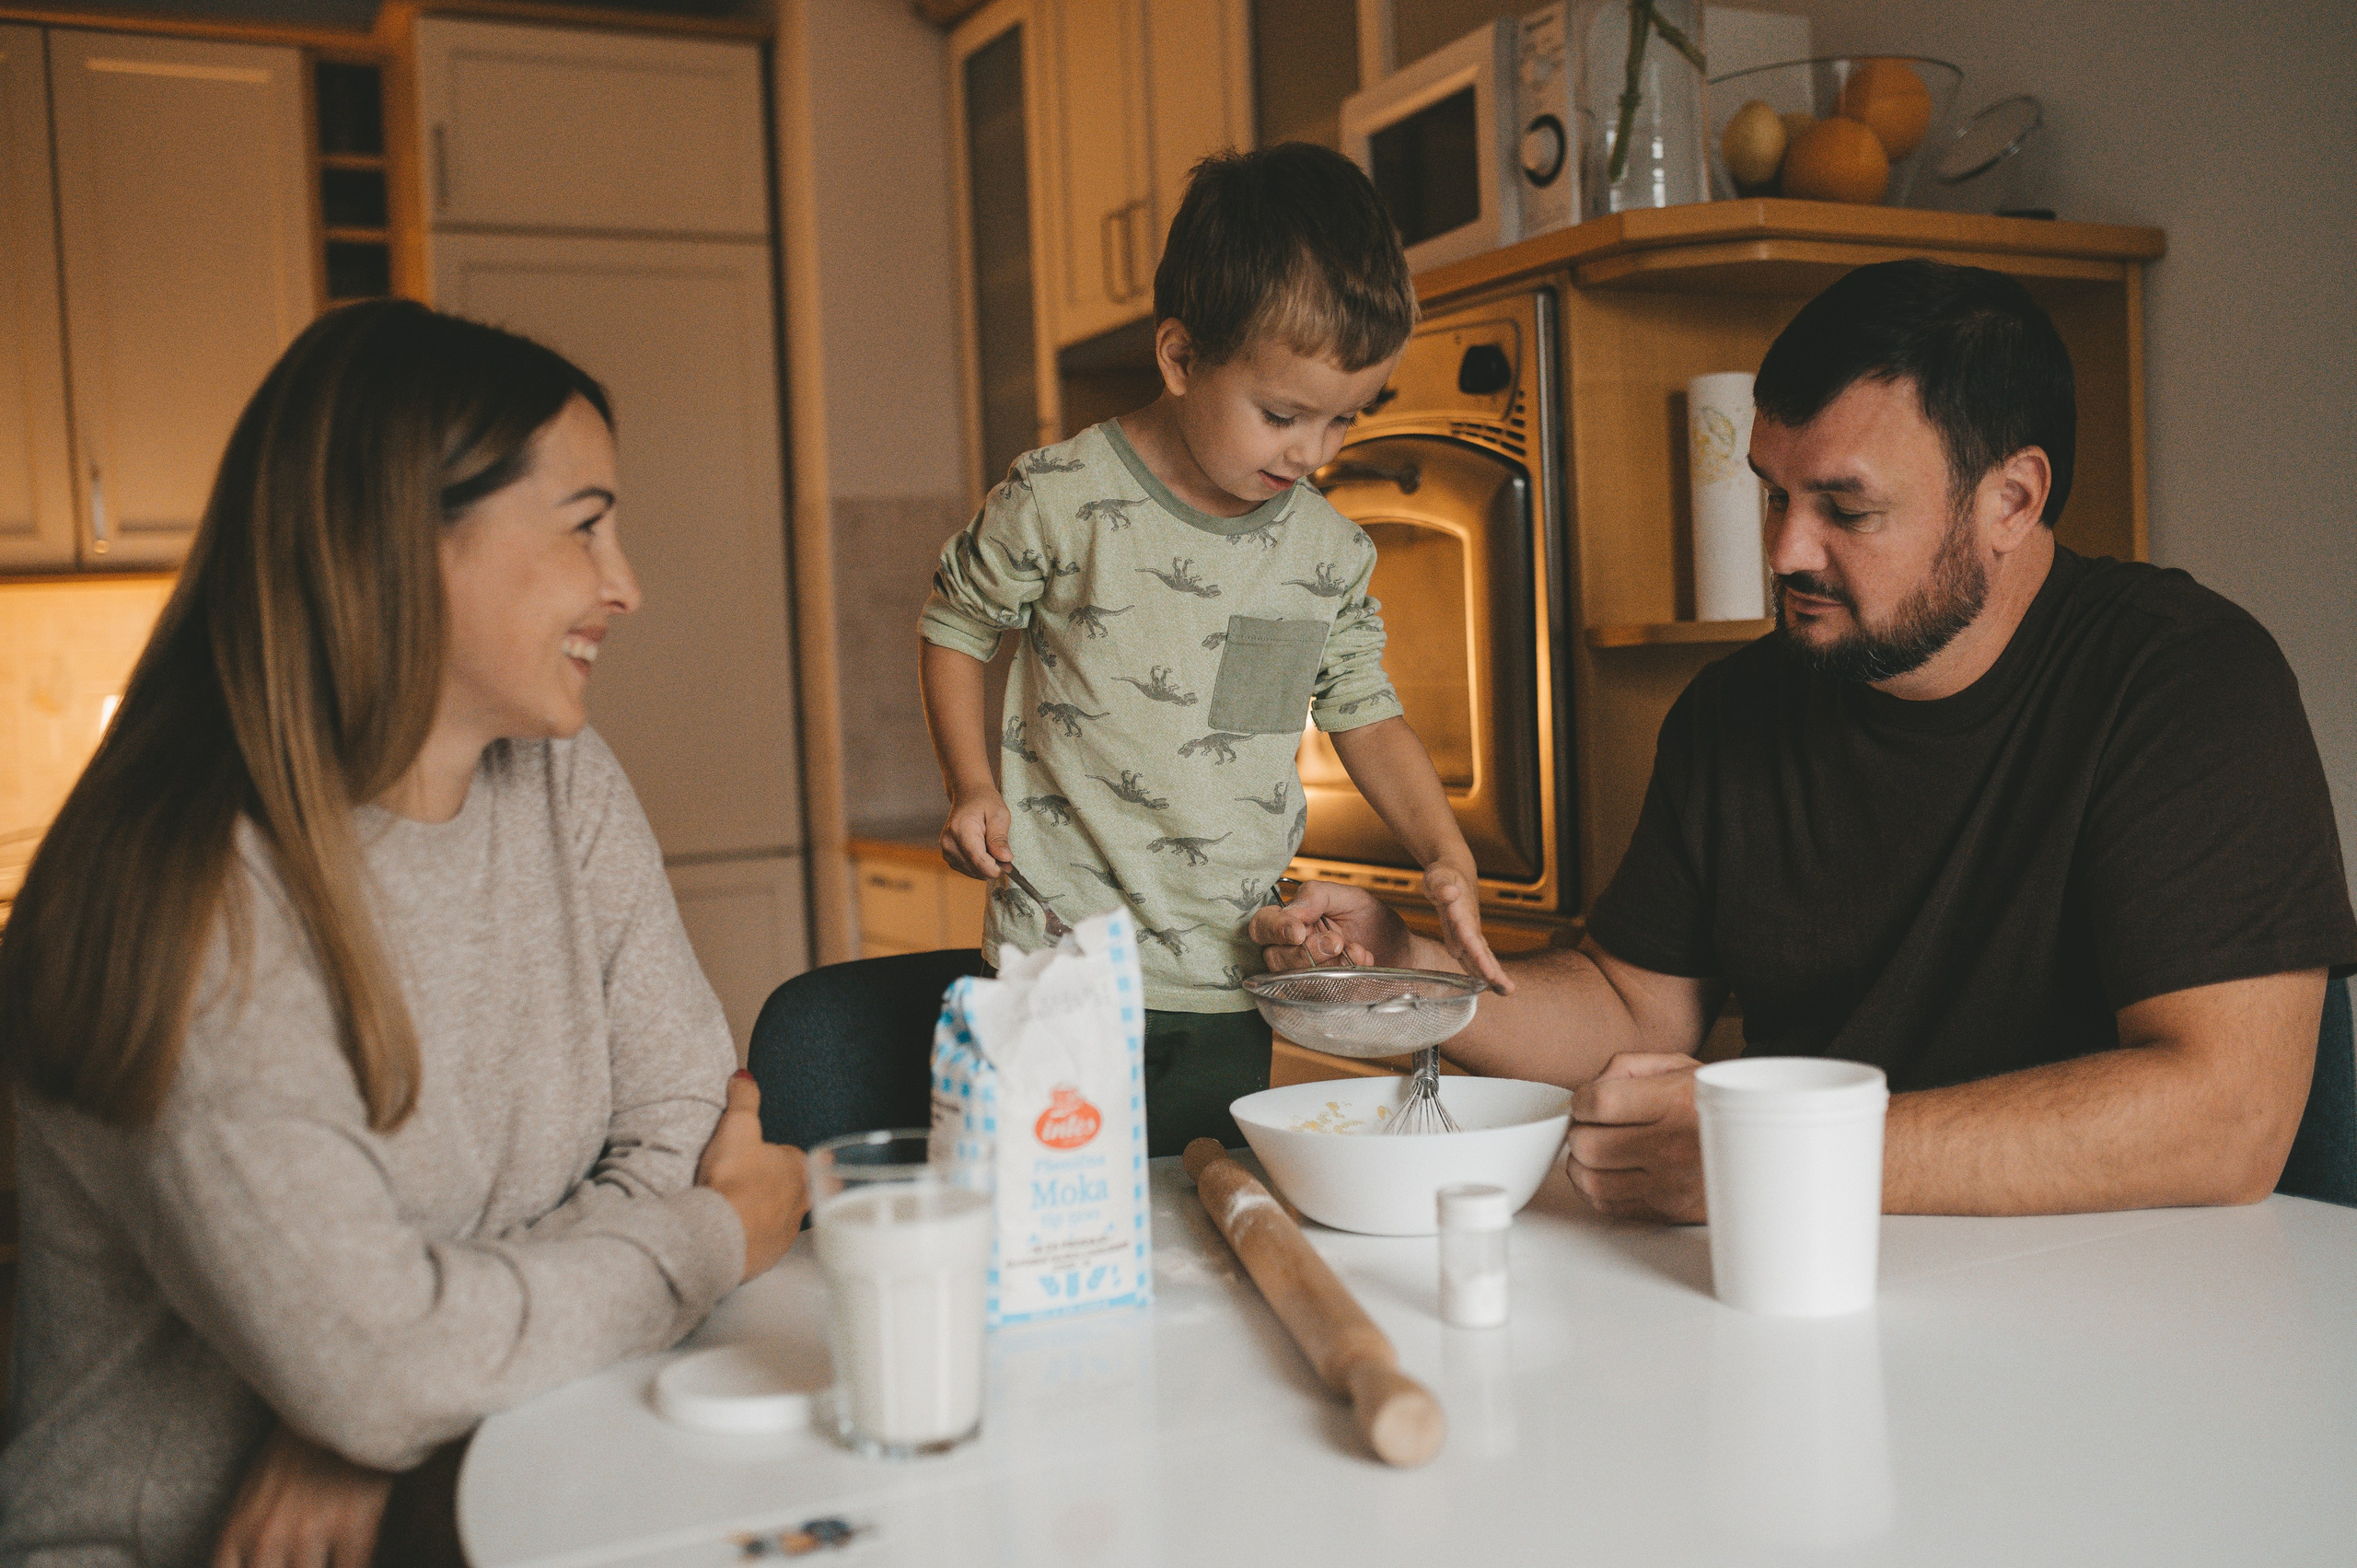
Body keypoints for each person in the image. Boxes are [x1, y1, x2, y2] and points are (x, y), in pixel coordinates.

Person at [1257, 259, 2357, 1218]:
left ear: (2011, 500)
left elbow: (2229, 1115)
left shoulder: (2184, 680)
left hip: (2170, 1316)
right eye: (1773, 493)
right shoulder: (1735, 712)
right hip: (1837, 1264)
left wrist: (1776, 1154)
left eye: (1847, 508)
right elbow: (1634, 1003)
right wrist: (1411, 970)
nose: (1784, 550)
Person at [0, 301, 808, 1566]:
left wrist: (395, 1400)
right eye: (586, 524)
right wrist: (704, 1243)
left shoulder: (561, 779)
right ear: (402, 542)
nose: (626, 583)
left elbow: (687, 1128)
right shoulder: (184, 897)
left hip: (488, 1481)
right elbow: (700, 1206)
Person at [920, 143, 1509, 1157]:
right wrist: (970, 782)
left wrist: (1442, 852)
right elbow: (954, 621)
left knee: (1205, 1229)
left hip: (1227, 981)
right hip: (1055, 962)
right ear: (1181, 358)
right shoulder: (1062, 498)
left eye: (1344, 419)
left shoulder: (1324, 548)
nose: (1314, 453)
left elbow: (1362, 705)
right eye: (1283, 415)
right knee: (1052, 1226)